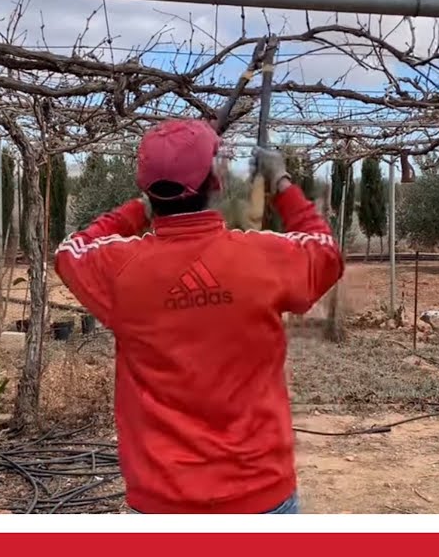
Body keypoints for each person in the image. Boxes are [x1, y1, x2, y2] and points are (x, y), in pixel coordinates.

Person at [53, 118, 344, 514]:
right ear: (216, 183)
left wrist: (137, 210)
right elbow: (325, 251)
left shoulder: (120, 268)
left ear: (147, 188)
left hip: (161, 502)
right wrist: (281, 183)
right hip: (259, 494)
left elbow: (69, 251)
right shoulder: (263, 257)